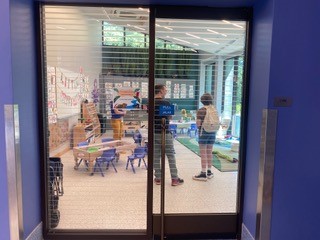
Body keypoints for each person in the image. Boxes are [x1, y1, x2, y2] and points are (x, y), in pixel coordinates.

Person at [154, 84, 184, 186]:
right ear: (161, 91)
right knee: (170, 155)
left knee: (156, 156)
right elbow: (170, 117)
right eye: (165, 90)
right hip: (165, 132)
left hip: (154, 133)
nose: (166, 91)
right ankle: (174, 179)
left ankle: (158, 178)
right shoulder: (165, 102)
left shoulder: (150, 102)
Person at [193, 93, 217, 181]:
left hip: (204, 133)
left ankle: (203, 173)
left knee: (203, 153)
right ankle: (209, 172)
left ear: (202, 101)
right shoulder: (214, 110)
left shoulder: (201, 110)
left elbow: (198, 124)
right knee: (209, 152)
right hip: (213, 133)